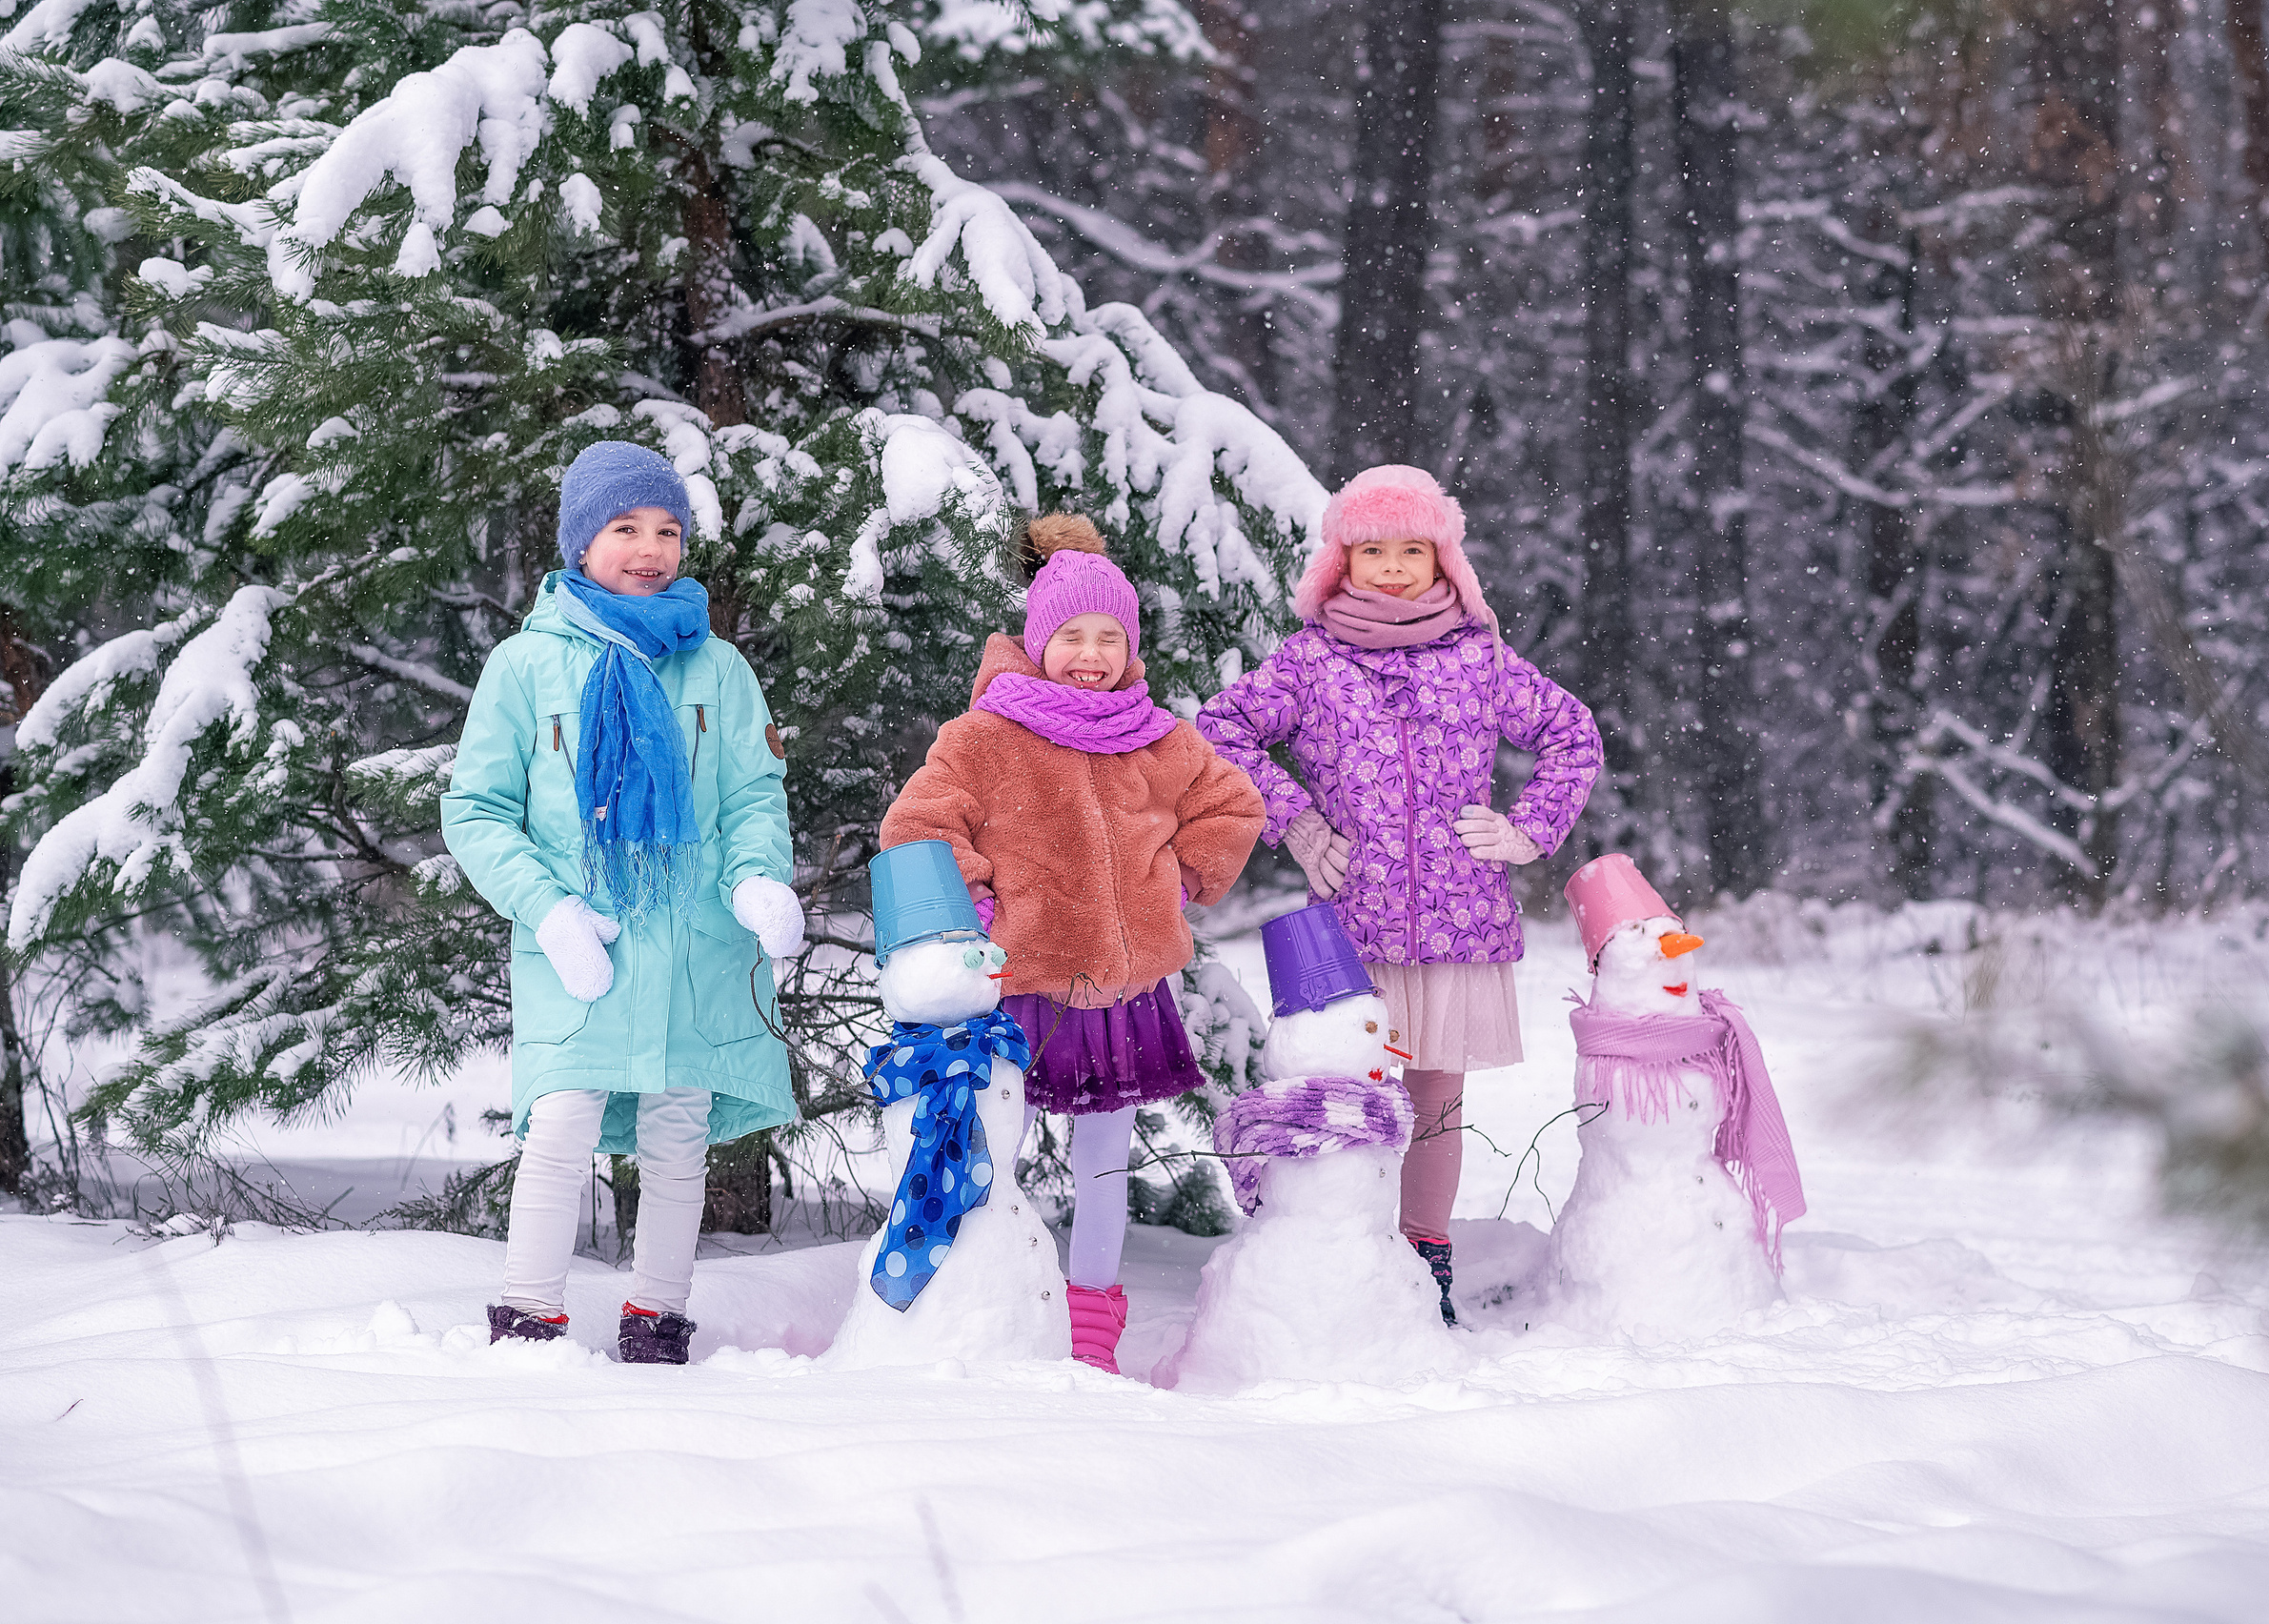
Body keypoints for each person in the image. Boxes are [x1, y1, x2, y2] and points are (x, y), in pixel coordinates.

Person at [1195, 463, 1601, 1324]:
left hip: (1460, 924)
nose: (1390, 566)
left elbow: (1572, 734)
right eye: (1372, 548)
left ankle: (1428, 1263)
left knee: (1435, 1104)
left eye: (1410, 549)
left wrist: (1528, 829)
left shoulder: (1481, 658)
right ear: (1340, 559)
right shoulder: (1310, 660)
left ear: (1442, 558)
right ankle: (1350, 1260)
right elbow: (1221, 731)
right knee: (1350, 1100)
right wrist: (1299, 826)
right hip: (1353, 920)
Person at [441, 440, 805, 1365]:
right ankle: (528, 1313)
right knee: (560, 1123)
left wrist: (758, 877)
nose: (649, 548)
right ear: (580, 542)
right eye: (625, 528)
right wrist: (550, 912)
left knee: (678, 1132)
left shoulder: (718, 670)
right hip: (580, 947)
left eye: (667, 530)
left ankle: (657, 1316)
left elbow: (753, 797)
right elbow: (477, 812)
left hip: (694, 944)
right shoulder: (525, 668)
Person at [879, 515, 1265, 1374]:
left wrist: (1184, 878)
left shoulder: (1160, 735)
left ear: (1128, 646)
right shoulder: (985, 735)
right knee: (995, 1144)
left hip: (1122, 993)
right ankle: (993, 1302)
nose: (1089, 654)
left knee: (1102, 1160)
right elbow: (918, 822)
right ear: (1037, 639)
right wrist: (968, 906)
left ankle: (1093, 1324)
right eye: (1070, 637)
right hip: (1019, 981)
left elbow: (1234, 808)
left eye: (1108, 636)